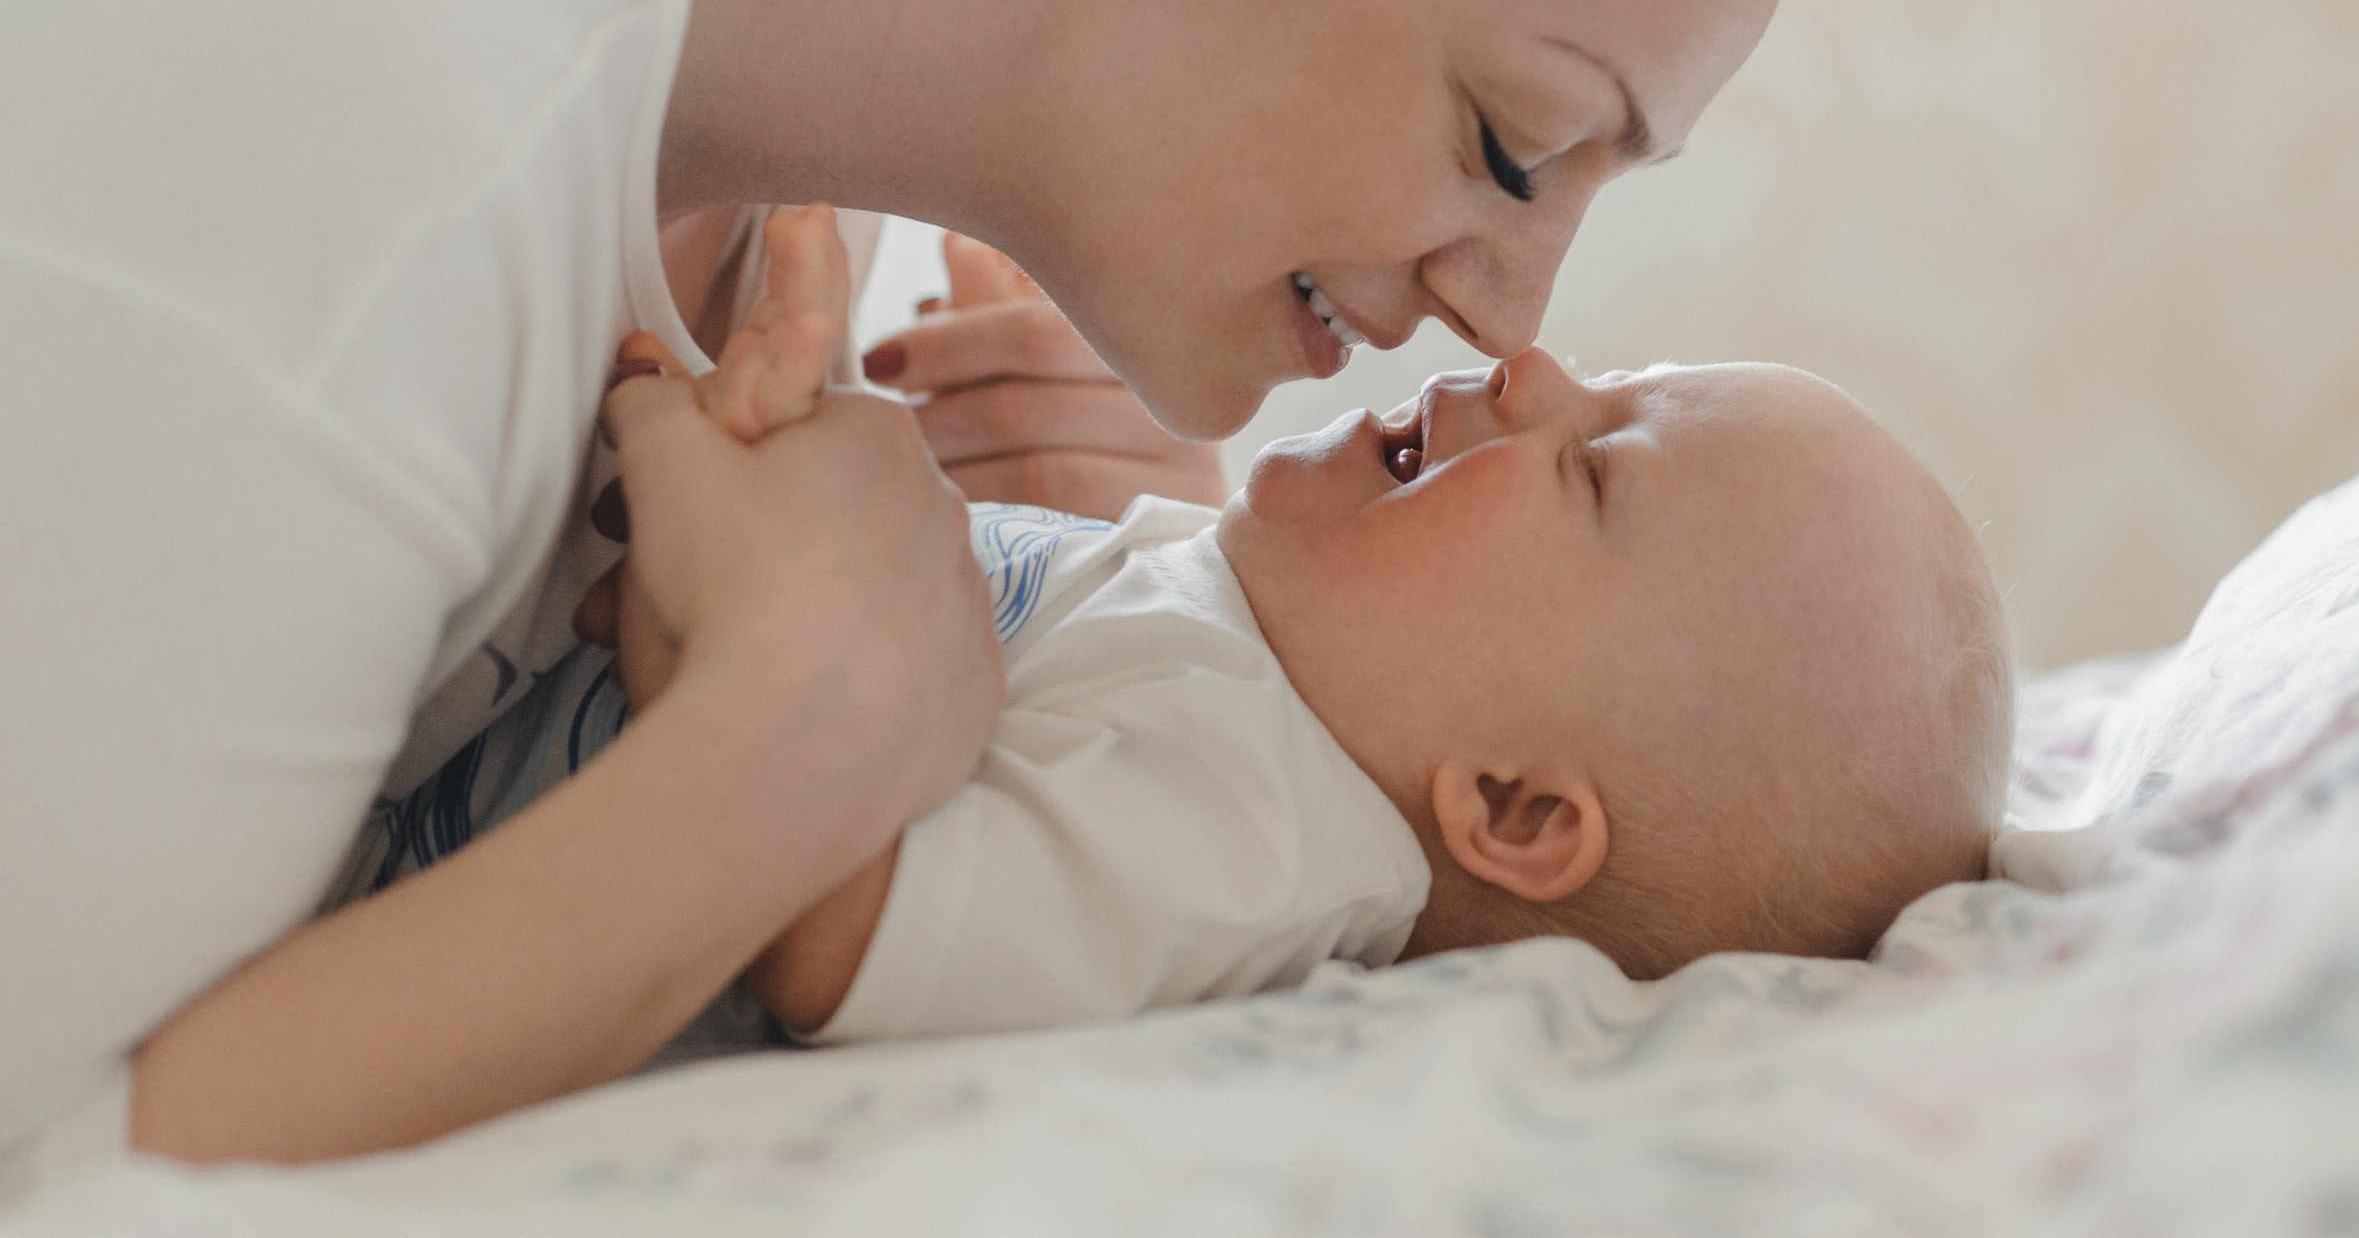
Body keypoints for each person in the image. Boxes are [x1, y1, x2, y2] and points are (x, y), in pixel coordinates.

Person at [0, 0, 1849, 1174]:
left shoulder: (773, 86)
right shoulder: (355, 118)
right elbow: (63, 1177)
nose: (1511, 319)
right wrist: (800, 741)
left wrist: (1148, 627)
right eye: (1513, 143)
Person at [341, 212, 2012, 1049]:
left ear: (1509, 808)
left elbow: (841, 920)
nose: (1529, 370)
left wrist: (727, 567)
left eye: (1594, 469)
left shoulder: (1254, 823)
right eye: (1616, 378)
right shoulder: (1222, 636)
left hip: (390, 952)